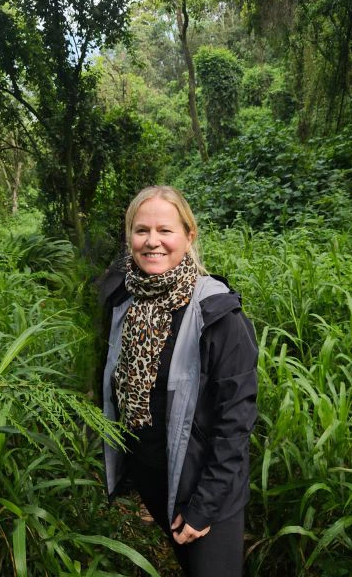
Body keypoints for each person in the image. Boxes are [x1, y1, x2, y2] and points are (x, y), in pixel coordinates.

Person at [100, 185, 258, 576]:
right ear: (128, 237)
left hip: (207, 485)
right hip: (156, 478)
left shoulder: (220, 315)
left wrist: (204, 505)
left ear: (189, 236)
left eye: (165, 230)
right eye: (141, 230)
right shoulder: (125, 302)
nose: (152, 241)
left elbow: (235, 424)